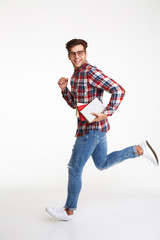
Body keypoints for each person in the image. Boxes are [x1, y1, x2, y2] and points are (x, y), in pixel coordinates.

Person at [45, 39, 159, 221]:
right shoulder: (76, 75)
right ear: (69, 56)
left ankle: (68, 211)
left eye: (80, 52)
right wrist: (64, 89)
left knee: (74, 169)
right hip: (95, 129)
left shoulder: (90, 72)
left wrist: (107, 112)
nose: (77, 56)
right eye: (73, 53)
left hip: (91, 131)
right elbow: (76, 104)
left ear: (86, 53)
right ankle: (139, 149)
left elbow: (118, 90)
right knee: (102, 163)